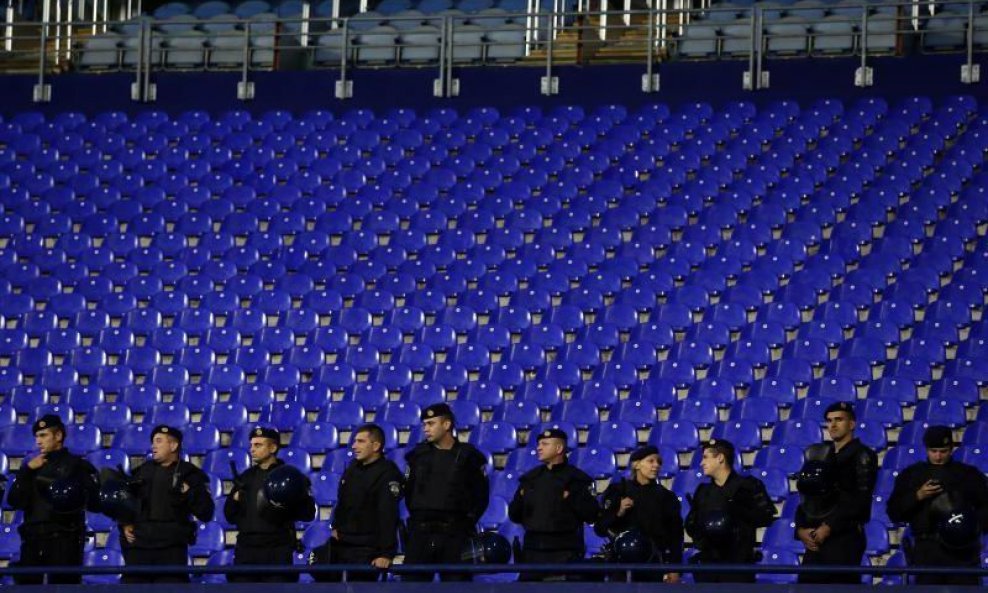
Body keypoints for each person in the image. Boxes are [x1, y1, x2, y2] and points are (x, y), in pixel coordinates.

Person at [887, 425, 988, 585]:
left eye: (943, 451)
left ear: (952, 448)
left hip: (962, 552)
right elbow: (894, 512)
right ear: (926, 449)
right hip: (927, 550)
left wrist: (969, 525)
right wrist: (918, 496)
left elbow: (985, 508)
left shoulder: (969, 475)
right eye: (933, 451)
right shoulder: (912, 475)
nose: (938, 456)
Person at [7, 414, 99, 585]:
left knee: (64, 586)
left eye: (43, 435)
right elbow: (14, 501)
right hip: (33, 540)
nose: (38, 441)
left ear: (58, 436)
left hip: (64, 540)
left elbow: (94, 502)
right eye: (36, 436)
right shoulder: (31, 467)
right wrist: (26, 471)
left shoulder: (76, 465)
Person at [794, 401, 878, 584]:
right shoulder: (822, 454)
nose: (832, 425)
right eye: (829, 420)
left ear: (852, 424)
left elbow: (860, 501)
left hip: (843, 538)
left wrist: (828, 527)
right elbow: (807, 496)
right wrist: (800, 529)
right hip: (816, 539)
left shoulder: (862, 455)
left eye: (838, 420)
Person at [403, 403, 489, 581]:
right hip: (421, 533)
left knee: (456, 585)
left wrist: (464, 524)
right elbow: (410, 494)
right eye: (425, 424)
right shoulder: (417, 456)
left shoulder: (469, 456)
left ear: (447, 425)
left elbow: (481, 496)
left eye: (431, 423)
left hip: (455, 535)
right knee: (412, 586)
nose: (426, 429)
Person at [119, 425, 214, 583]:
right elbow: (125, 501)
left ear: (173, 445)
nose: (153, 446)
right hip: (140, 548)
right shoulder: (141, 471)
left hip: (171, 550)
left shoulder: (190, 474)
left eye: (158, 441)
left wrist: (189, 492)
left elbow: (206, 512)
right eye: (153, 442)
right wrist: (124, 523)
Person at [313, 423, 404, 582]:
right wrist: (336, 527)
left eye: (361, 441)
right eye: (354, 441)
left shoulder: (388, 473)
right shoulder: (352, 468)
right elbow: (343, 503)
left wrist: (385, 553)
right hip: (342, 545)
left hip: (367, 549)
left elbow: (388, 515)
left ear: (376, 446)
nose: (354, 446)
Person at [509, 428, 600, 581]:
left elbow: (592, 514)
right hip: (533, 551)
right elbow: (514, 515)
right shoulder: (530, 479)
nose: (539, 447)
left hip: (564, 552)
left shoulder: (576, 480)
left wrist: (572, 498)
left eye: (544, 444)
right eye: (539, 444)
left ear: (559, 448)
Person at [225, 426, 315, 583]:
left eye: (258, 445)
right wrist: (234, 499)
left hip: (277, 551)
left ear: (273, 447)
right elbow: (229, 516)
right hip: (246, 551)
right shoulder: (245, 478)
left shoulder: (290, 476)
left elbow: (308, 513)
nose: (252, 449)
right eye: (251, 445)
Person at [685, 438, 776, 583]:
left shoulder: (748, 486)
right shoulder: (703, 491)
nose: (702, 463)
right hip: (709, 566)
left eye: (705, 457)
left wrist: (737, 510)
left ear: (720, 458)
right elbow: (692, 525)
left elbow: (766, 516)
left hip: (738, 567)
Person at [595, 445, 683, 583]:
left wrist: (674, 568)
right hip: (621, 564)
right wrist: (618, 511)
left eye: (659, 462)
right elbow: (600, 528)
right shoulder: (618, 491)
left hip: (653, 564)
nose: (656, 465)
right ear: (636, 465)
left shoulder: (667, 496)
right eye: (651, 461)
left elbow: (676, 536)